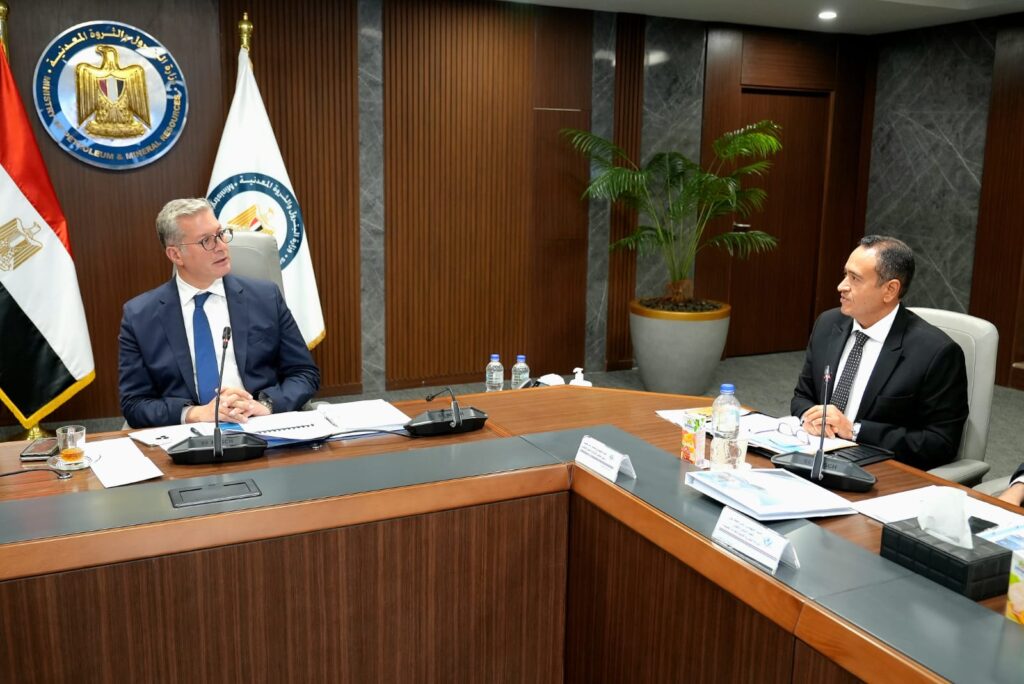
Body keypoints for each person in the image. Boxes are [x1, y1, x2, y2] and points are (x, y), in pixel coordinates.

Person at [119, 198, 320, 428]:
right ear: (176, 255)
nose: (222, 246)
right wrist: (195, 413)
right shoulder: (140, 316)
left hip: (259, 426)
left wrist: (265, 405)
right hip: (188, 436)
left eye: (221, 234)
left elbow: (304, 373)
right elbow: (134, 403)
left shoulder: (265, 297)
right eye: (206, 241)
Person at [791, 235, 968, 471]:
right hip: (813, 454)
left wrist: (854, 430)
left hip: (878, 470)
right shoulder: (828, 324)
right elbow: (803, 396)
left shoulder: (936, 353)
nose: (841, 286)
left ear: (890, 290)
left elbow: (940, 442)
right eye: (845, 274)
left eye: (854, 278)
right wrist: (810, 417)